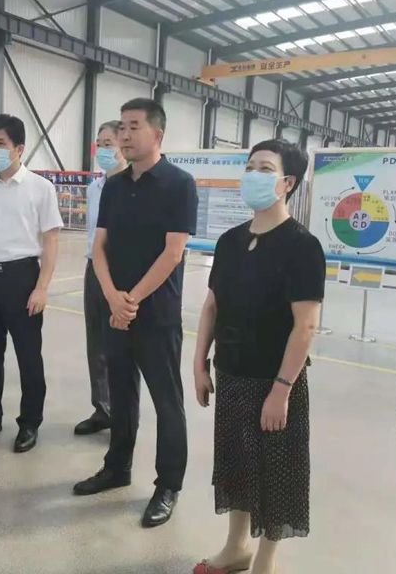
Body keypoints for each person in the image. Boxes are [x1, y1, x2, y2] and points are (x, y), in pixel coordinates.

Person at [191, 139, 325, 574]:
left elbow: (305, 325)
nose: (253, 175)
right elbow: (211, 305)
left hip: (274, 382)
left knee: (275, 475)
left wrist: (281, 390)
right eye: (249, 166)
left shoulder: (301, 246)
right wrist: (199, 363)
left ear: (287, 183)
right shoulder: (230, 241)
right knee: (235, 465)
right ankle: (236, 547)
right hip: (231, 375)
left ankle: (266, 560)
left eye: (265, 169)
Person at [73, 98, 198, 529]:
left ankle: (168, 485)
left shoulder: (179, 184)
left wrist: (132, 300)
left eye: (133, 127)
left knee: (167, 400)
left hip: (156, 313)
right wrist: (112, 297)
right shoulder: (114, 186)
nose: (124, 136)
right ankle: (117, 467)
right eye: (121, 127)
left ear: (157, 134)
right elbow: (99, 247)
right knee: (121, 392)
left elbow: (173, 252)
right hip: (116, 309)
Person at [0, 114, 63, 453]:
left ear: (19, 148)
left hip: (22, 278)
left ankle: (29, 423)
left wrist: (42, 287)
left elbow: (51, 240)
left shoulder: (40, 188)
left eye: (1, 143)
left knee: (28, 357)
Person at [74, 120, 127, 436]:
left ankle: (122, 415)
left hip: (119, 273)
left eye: (110, 144)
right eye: (100, 143)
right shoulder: (95, 187)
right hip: (93, 267)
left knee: (119, 346)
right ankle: (102, 409)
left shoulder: (132, 186)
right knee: (95, 342)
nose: (103, 149)